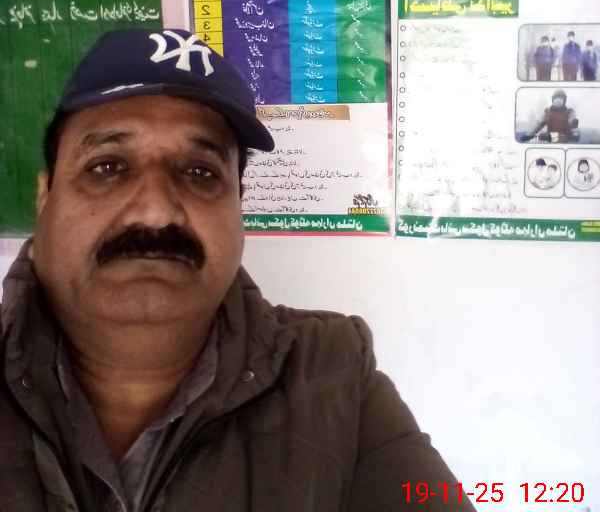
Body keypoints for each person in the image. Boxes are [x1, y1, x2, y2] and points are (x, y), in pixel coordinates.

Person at [0, 28, 473, 512]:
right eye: (108, 167)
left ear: (237, 207)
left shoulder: (335, 378)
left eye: (200, 173)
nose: (156, 211)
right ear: (45, 196)